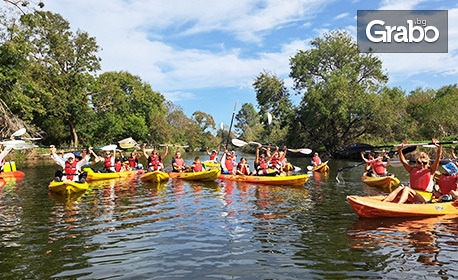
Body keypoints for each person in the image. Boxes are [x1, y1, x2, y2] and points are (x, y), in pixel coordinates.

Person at [383, 139, 442, 204]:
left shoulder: (431, 171)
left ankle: (398, 205)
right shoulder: (412, 170)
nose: (422, 164)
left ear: (427, 163)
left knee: (406, 189)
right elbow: (403, 161)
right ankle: (384, 202)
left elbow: (438, 159)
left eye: (424, 163)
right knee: (400, 187)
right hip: (412, 195)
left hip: (425, 198)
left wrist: (439, 148)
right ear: (416, 162)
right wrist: (399, 150)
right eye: (419, 162)